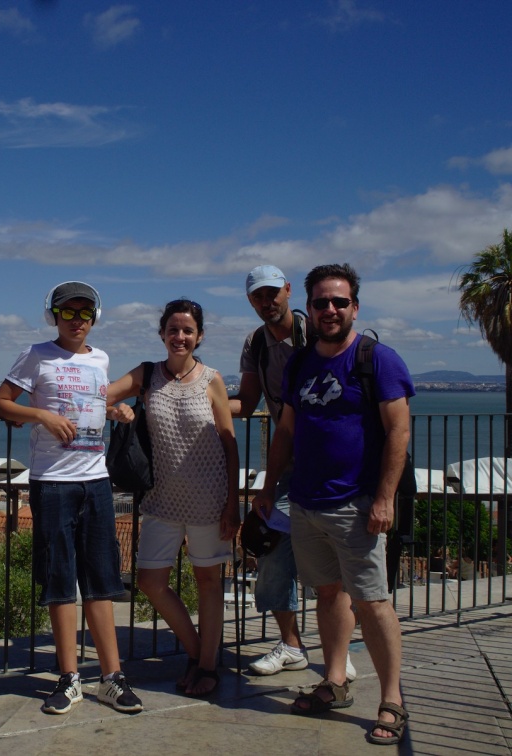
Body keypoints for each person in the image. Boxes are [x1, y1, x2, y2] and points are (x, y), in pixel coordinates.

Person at [252, 263, 414, 746]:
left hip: (356, 504)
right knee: (327, 594)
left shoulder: (377, 360)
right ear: (310, 305)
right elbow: (286, 429)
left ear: (355, 308)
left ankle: (392, 700)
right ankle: (336, 680)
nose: (329, 309)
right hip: (305, 503)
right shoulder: (302, 363)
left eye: (339, 302)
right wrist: (267, 485)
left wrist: (384, 497)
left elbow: (399, 431)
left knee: (374, 602)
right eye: (321, 301)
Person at [0, 281, 143, 716]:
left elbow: (95, 404)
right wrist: (40, 414)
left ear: (94, 317)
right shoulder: (37, 355)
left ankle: (111, 678)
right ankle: (70, 676)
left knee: (101, 580)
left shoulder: (101, 359)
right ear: (53, 315)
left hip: (96, 480)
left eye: (84, 313)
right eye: (68, 312)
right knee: (61, 580)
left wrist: (117, 411)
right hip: (52, 482)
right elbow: (2, 403)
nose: (76, 320)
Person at [228, 265, 356, 683]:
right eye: (258, 297)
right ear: (251, 302)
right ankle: (292, 644)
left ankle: (338, 650)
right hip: (287, 462)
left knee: (336, 553)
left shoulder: (318, 331)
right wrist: (194, 396)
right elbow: (245, 404)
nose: (267, 302)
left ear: (287, 290)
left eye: (272, 293)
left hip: (330, 462)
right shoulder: (256, 344)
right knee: (270, 546)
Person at [111, 299, 240, 697]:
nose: (179, 336)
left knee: (208, 582)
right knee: (150, 581)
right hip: (163, 497)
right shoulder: (148, 375)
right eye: (173, 329)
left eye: (187, 330)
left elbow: (228, 441)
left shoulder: (212, 379)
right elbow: (99, 396)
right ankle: (200, 652)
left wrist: (233, 501)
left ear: (199, 336)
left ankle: (205, 667)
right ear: (162, 333)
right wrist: (119, 409)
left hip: (209, 496)